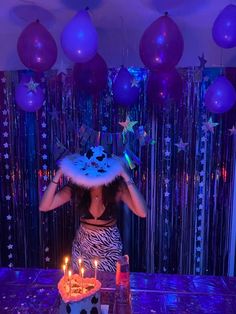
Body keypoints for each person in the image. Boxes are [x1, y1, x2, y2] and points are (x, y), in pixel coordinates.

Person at [39, 147, 147, 272]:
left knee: (107, 288)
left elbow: (142, 212)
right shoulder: (76, 187)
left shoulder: (117, 187)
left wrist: (126, 176)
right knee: (82, 288)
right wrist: (59, 174)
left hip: (109, 246)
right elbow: (44, 206)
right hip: (83, 247)